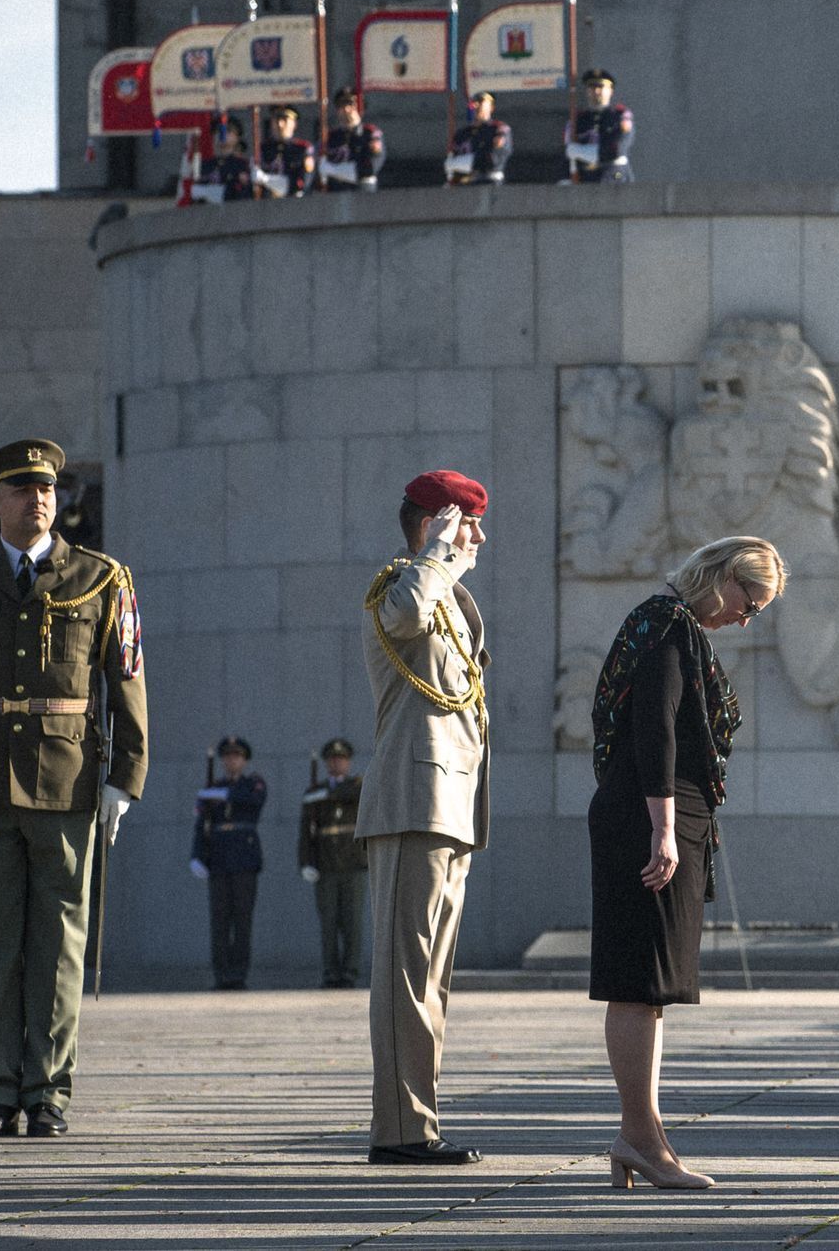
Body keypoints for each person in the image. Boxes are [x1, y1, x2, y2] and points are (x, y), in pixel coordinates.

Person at [588, 536, 785, 1190]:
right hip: (648, 823)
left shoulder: (668, 624)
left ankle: (640, 1136)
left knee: (652, 991)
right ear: (722, 575)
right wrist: (665, 828)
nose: (745, 617)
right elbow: (657, 728)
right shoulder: (668, 625)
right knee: (638, 981)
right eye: (747, 599)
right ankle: (641, 1139)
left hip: (656, 821)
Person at [0, 439, 146, 1140]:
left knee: (58, 944)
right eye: (22, 489)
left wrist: (125, 778)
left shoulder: (100, 577)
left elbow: (128, 677)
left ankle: (48, 1090)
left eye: (47, 488)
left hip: (68, 781)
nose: (39, 498)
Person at [356, 470, 492, 1165]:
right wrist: (438, 553)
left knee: (431, 983)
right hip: (412, 802)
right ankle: (401, 1131)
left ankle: (419, 1123)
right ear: (437, 522)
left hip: (449, 806)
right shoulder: (401, 587)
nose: (479, 537)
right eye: (467, 522)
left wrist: (445, 565)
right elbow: (404, 619)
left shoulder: (447, 597)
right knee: (406, 978)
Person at [189, 737, 265, 991]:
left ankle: (238, 974)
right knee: (220, 921)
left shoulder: (253, 783)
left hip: (244, 860)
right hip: (219, 861)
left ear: (244, 760)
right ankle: (221, 974)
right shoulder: (213, 789)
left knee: (242, 921)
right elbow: (203, 826)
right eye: (228, 757)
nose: (232, 761)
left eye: (237, 756)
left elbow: (253, 800)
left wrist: (222, 794)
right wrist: (197, 855)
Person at [300, 737, 368, 989]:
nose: (337, 763)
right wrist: (306, 862)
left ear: (348, 762)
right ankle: (330, 970)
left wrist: (326, 794)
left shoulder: (357, 785)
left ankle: (350, 971)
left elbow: (356, 793)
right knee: (328, 923)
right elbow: (306, 833)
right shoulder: (313, 793)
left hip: (353, 864)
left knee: (352, 922)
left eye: (341, 759)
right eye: (332, 760)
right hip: (326, 866)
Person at [567, 69, 634, 184]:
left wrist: (583, 152)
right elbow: (568, 153)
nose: (596, 91)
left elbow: (617, 150)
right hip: (587, 178)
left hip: (616, 176)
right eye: (592, 87)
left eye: (601, 87)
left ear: (610, 91)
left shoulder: (621, 116)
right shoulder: (578, 119)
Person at [320, 89, 385, 192]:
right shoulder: (331, 137)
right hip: (336, 191)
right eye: (341, 105)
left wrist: (333, 170)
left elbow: (370, 169)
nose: (346, 109)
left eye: (351, 104)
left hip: (362, 191)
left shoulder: (370, 134)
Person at [447, 93, 512, 185]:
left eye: (482, 103)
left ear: (491, 107)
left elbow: (494, 160)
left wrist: (469, 161)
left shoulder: (498, 129)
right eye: (474, 103)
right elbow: (450, 163)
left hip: (490, 183)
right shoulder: (461, 133)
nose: (477, 106)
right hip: (464, 184)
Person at [256, 106, 315, 198]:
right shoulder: (263, 149)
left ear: (294, 123)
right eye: (276, 120)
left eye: (284, 120)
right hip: (267, 204)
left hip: (295, 202)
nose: (280, 124)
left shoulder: (302, 149)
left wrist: (264, 179)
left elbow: (304, 183)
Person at [194, 118, 254, 203]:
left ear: (237, 137)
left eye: (228, 131)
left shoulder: (242, 165)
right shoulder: (204, 165)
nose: (222, 135)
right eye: (218, 131)